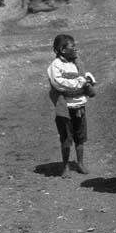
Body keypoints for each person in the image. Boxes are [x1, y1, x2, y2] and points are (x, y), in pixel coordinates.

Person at [47, 34, 96, 178]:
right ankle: (65, 166)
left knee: (80, 136)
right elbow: (58, 83)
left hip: (79, 105)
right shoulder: (55, 66)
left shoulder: (77, 63)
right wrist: (79, 83)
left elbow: (85, 76)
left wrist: (88, 80)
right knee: (66, 138)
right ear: (62, 50)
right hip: (65, 107)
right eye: (72, 46)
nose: (75, 49)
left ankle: (80, 163)